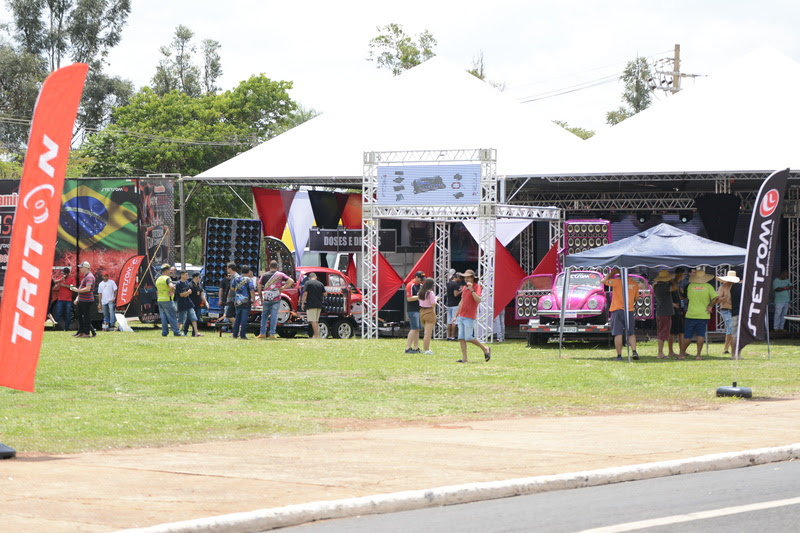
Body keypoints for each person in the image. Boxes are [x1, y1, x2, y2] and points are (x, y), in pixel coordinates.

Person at [452, 269, 491, 363]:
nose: (466, 279)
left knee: (468, 337)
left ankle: (485, 348)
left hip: (469, 316)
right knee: (461, 337)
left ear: (473, 278)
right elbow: (462, 302)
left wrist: (472, 290)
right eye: (465, 277)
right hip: (461, 315)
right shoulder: (464, 288)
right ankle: (464, 358)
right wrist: (456, 315)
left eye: (468, 277)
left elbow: (478, 300)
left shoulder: (477, 287)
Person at [602, 268, 639, 361]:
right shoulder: (634, 284)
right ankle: (634, 351)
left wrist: (612, 273)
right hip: (629, 310)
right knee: (631, 333)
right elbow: (636, 299)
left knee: (618, 333)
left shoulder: (616, 282)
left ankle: (619, 355)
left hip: (617, 310)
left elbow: (603, 281)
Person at [680, 267, 717, 360]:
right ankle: (698, 355)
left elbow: (682, 297)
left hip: (691, 314)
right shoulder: (708, 287)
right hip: (703, 314)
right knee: (700, 335)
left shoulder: (689, 286)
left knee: (687, 336)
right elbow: (716, 298)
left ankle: (681, 354)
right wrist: (710, 306)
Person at [257, 260, 294, 339]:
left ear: (269, 266)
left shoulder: (264, 275)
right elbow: (291, 281)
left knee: (264, 317)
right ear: (277, 267)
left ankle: (262, 333)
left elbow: (259, 287)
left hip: (266, 298)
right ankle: (272, 334)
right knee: (274, 316)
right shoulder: (280, 275)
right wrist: (283, 288)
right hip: (276, 298)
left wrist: (261, 298)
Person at [712, 270, 740, 354]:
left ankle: (726, 348)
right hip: (726, 310)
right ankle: (730, 349)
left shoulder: (737, 287)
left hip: (735, 309)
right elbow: (717, 299)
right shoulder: (723, 287)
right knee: (731, 328)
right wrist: (724, 298)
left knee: (731, 329)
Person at [651, 270, 676, 359]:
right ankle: (660, 353)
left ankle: (661, 352)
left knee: (663, 332)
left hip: (662, 312)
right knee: (662, 333)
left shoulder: (657, 286)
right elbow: (675, 287)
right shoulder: (662, 287)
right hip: (664, 313)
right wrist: (672, 280)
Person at [155, 263, 183, 337]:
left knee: (163, 317)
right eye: (169, 271)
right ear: (166, 270)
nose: (170, 272)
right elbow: (171, 286)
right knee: (172, 316)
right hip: (167, 299)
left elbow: (157, 290)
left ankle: (164, 332)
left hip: (160, 300)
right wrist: (172, 291)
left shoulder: (158, 279)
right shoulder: (167, 278)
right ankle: (176, 332)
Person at [70, 261, 96, 338]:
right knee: (79, 315)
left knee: (86, 317)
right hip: (82, 300)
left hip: (87, 300)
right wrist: (78, 298)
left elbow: (88, 289)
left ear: (86, 267)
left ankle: (87, 333)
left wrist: (76, 290)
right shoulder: (86, 276)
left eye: (81, 267)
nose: (80, 269)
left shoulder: (89, 277)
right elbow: (82, 288)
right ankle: (81, 332)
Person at [175, 270, 203, 337]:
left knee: (194, 317)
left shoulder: (186, 283)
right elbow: (181, 295)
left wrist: (186, 293)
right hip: (182, 303)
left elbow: (186, 294)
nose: (187, 276)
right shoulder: (178, 284)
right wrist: (187, 293)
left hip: (188, 302)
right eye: (186, 275)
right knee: (181, 318)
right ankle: (176, 332)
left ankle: (196, 332)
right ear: (182, 275)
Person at [231, 265, 256, 340]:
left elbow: (232, 289)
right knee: (244, 319)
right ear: (248, 272)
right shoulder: (249, 280)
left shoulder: (236, 279)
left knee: (237, 318)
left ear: (241, 271)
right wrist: (254, 301)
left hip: (237, 301)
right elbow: (252, 291)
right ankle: (242, 335)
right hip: (246, 301)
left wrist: (233, 299)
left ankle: (235, 334)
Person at [404, 271, 424, 354]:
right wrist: (419, 297)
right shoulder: (410, 285)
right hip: (412, 310)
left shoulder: (421, 285)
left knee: (417, 329)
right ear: (416, 277)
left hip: (419, 309)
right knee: (414, 329)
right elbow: (409, 298)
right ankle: (408, 348)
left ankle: (416, 347)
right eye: (420, 278)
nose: (421, 280)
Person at [301, 272, 325, 339]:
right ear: (316, 277)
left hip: (311, 304)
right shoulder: (320, 284)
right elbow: (325, 294)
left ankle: (317, 336)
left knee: (312, 321)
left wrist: (302, 303)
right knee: (316, 321)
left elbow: (305, 293)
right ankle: (316, 335)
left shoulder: (308, 283)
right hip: (319, 305)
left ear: (309, 278)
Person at [669, 268, 686, 357]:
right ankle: (670, 350)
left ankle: (682, 350)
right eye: (683, 275)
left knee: (681, 331)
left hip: (679, 310)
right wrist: (672, 304)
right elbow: (666, 296)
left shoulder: (679, 284)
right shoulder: (672, 283)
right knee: (672, 332)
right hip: (673, 311)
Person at [418, 278, 437, 354]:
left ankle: (426, 348)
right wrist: (436, 299)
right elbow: (433, 304)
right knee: (428, 333)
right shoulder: (430, 293)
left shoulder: (420, 292)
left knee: (426, 332)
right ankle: (426, 349)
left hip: (422, 311)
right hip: (429, 311)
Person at [54, 266, 76, 331]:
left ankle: (67, 327)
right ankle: (56, 327)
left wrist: (65, 286)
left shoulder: (72, 278)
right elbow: (54, 282)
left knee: (68, 313)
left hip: (68, 299)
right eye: (63, 273)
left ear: (68, 273)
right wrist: (60, 280)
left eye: (65, 273)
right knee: (58, 313)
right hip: (60, 298)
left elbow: (73, 287)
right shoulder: (61, 278)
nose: (64, 275)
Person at [445, 270, 463, 341]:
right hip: (455, 304)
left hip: (449, 304)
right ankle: (453, 336)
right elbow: (455, 294)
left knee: (449, 321)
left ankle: (448, 336)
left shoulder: (448, 283)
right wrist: (462, 290)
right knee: (454, 321)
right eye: (460, 278)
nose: (461, 279)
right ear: (457, 277)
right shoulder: (455, 284)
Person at [730, 271, 744, 359]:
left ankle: (733, 354)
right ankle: (738, 354)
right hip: (742, 312)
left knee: (734, 334)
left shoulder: (733, 287)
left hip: (734, 311)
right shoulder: (746, 287)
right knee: (740, 335)